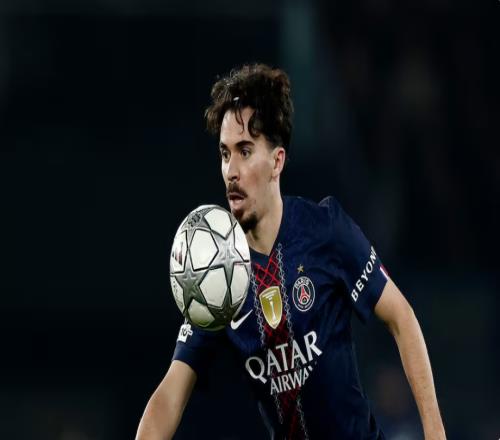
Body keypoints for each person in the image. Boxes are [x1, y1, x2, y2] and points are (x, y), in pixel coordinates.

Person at [135, 64, 446, 439]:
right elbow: (170, 394)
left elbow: (401, 317)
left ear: (277, 161)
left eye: (245, 151)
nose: (231, 170)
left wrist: (435, 432)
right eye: (224, 154)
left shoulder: (326, 230)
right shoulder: (218, 273)